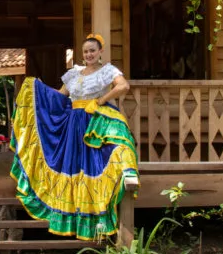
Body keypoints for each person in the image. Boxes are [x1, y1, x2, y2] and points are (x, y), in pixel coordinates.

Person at [10, 33, 139, 241]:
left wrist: (100, 100)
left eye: (92, 51)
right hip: (73, 124)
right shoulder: (74, 73)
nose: (88, 54)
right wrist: (37, 90)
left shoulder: (107, 70)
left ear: (100, 52)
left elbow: (123, 86)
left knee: (96, 163)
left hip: (95, 120)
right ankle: (72, 217)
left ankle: (95, 216)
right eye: (85, 51)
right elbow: (61, 96)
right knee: (73, 167)